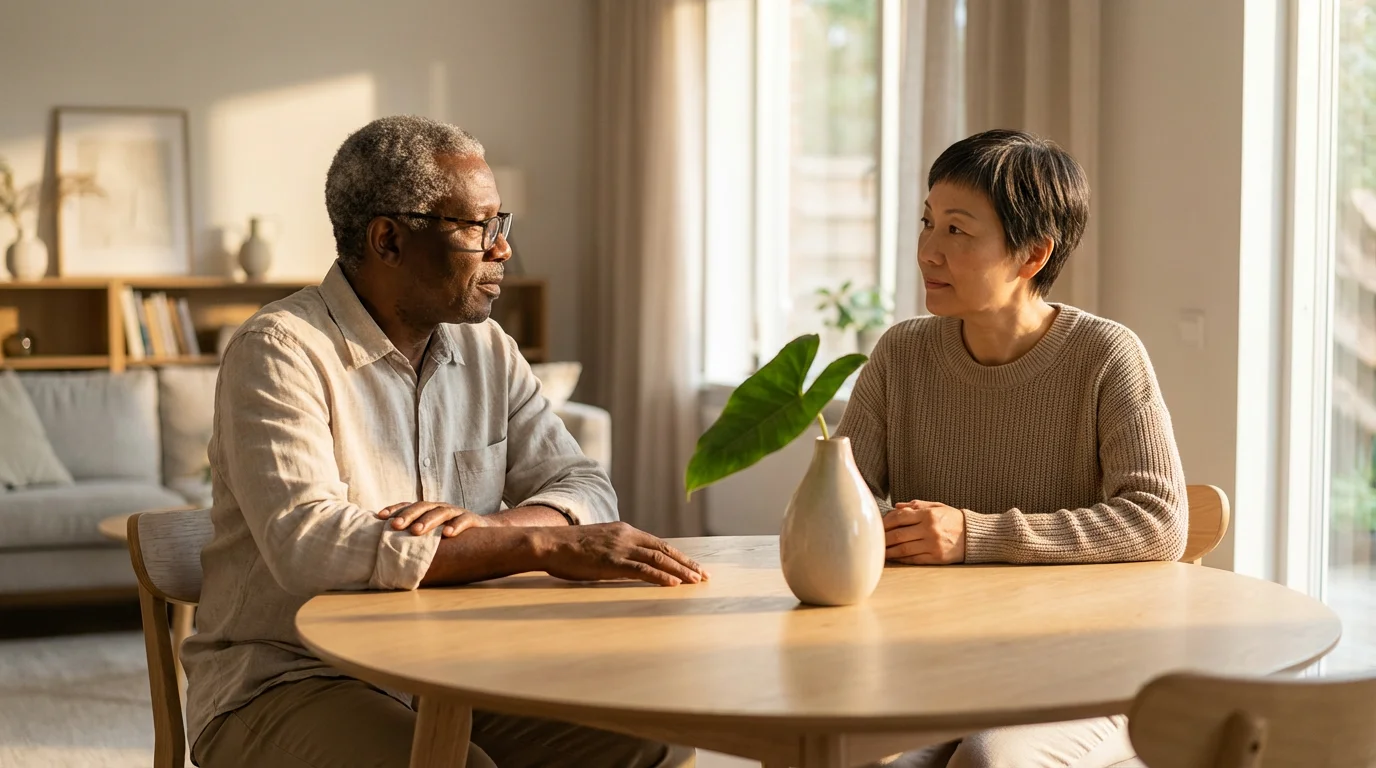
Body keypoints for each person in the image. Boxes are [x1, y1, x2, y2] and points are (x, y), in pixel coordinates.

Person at [182, 115, 708, 768]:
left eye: (501, 222)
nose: (503, 249)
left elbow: (584, 484)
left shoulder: (488, 348)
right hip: (288, 679)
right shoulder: (279, 350)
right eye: (478, 227)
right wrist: (538, 543)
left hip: (453, 668)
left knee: (653, 743)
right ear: (389, 240)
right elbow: (310, 544)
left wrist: (493, 528)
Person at [837, 129, 1187, 768]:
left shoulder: (1107, 355)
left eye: (957, 231)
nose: (927, 251)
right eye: (928, 222)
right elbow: (843, 506)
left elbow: (1158, 522)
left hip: (1088, 669)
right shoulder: (901, 353)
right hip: (936, 659)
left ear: (1032, 254)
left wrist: (973, 536)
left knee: (989, 760)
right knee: (845, 754)